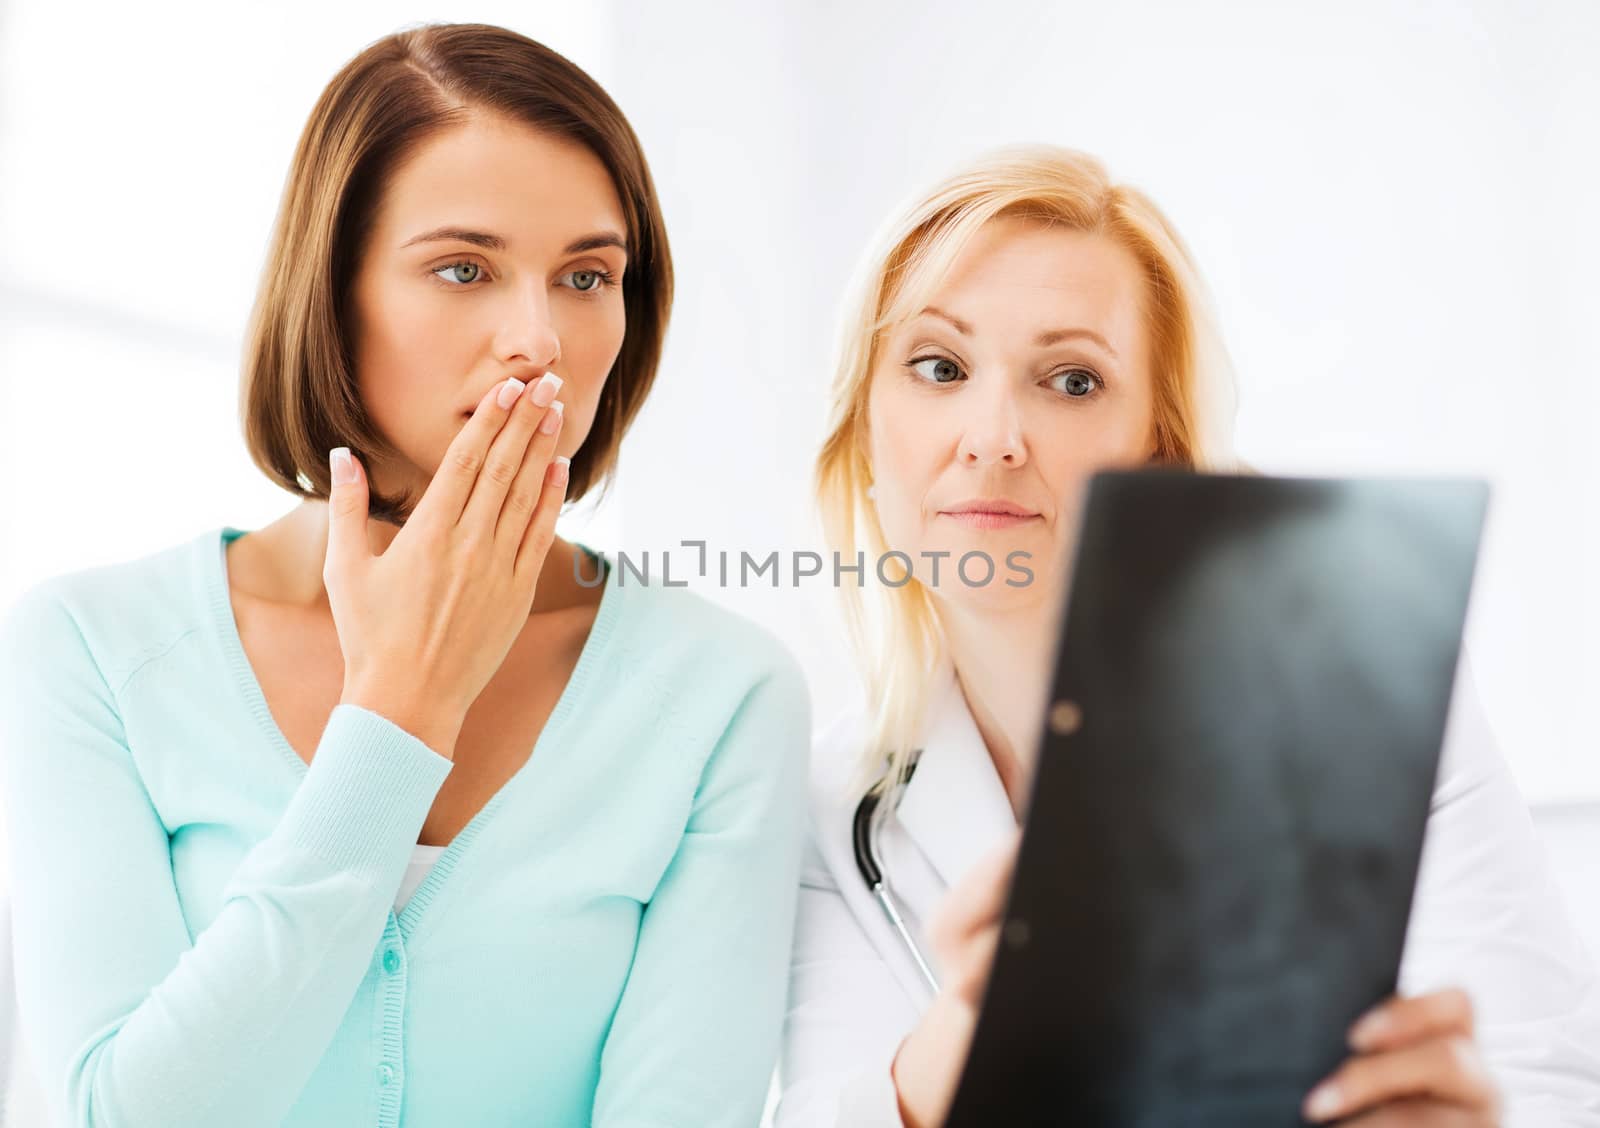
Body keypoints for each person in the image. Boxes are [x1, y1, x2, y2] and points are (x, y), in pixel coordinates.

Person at [0, 23, 808, 1128]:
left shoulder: (723, 692)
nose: (539, 340)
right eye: (463, 268)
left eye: (586, 276)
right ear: (330, 293)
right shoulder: (92, 648)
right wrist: (398, 714)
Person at [778, 145, 1600, 1126]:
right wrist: (938, 1072)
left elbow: (1545, 1085)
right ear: (866, 437)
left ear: (1158, 450)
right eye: (938, 366)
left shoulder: (1365, 703)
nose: (992, 435)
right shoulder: (833, 815)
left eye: (1072, 381)